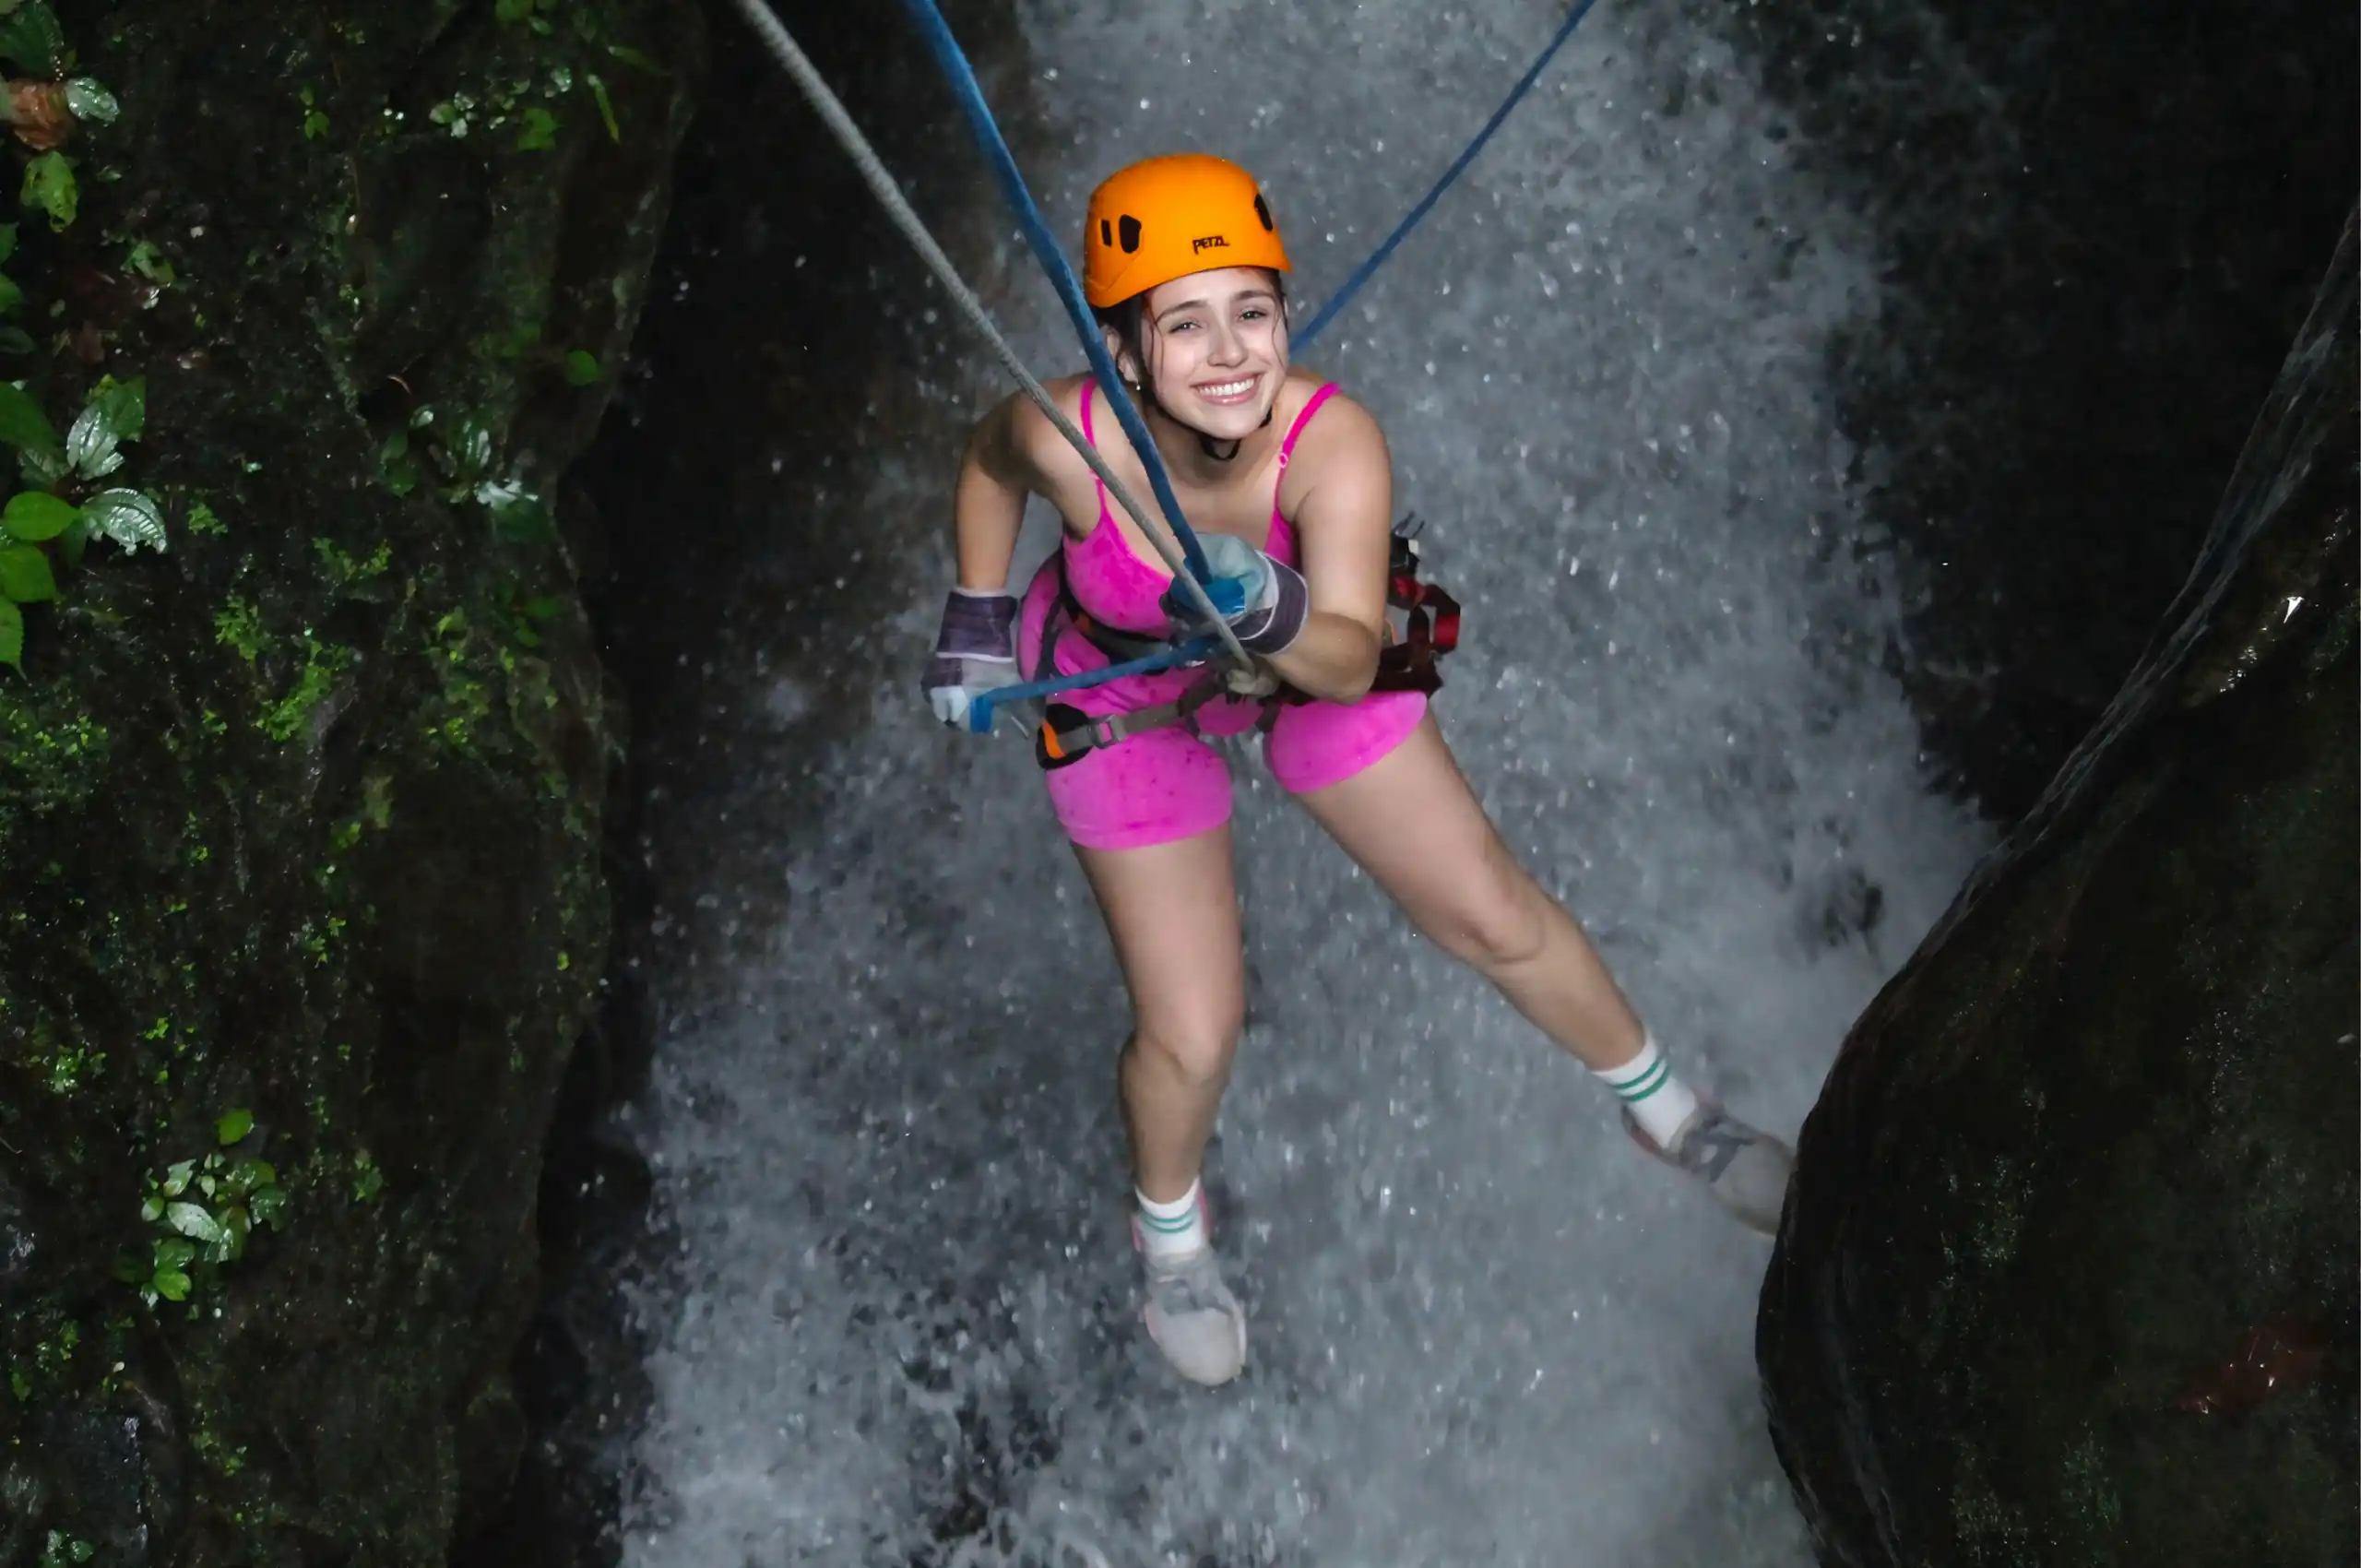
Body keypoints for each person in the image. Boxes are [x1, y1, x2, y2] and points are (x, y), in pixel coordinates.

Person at [922, 152, 1793, 1388]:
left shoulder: (1332, 444)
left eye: (1254, 313)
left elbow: (1338, 653)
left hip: (1299, 656)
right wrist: (972, 609)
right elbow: (985, 463)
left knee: (1487, 906)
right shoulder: (1068, 437)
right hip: (1122, 689)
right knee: (1193, 1032)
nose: (1232, 353)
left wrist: (1264, 602)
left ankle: (1669, 1112)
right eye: (1187, 324)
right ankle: (1171, 1239)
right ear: (1124, 352)